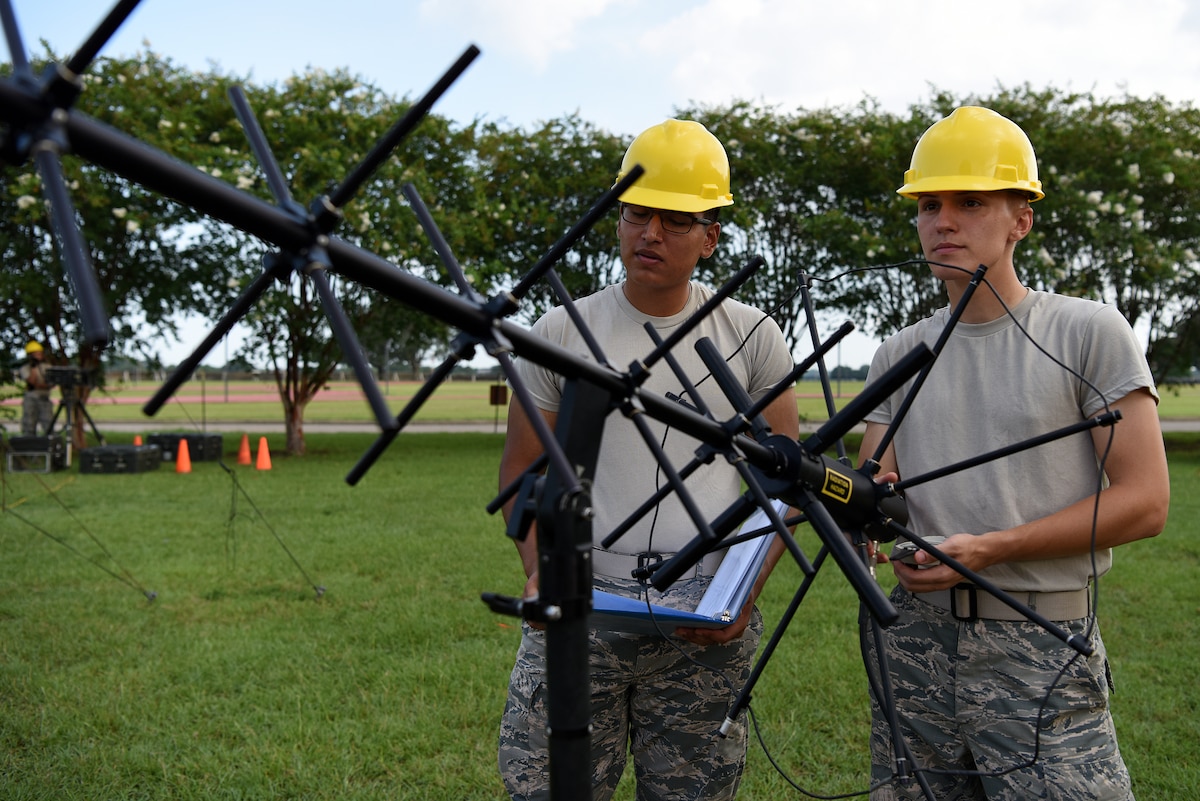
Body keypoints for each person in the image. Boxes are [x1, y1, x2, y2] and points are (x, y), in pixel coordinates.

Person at [858, 106, 1170, 800]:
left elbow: (1146, 502)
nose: (944, 221)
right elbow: (875, 487)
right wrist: (847, 502)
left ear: (1020, 220)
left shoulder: (1088, 332)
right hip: (914, 642)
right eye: (929, 205)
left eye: (971, 202)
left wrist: (993, 547)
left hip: (1039, 637)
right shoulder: (898, 353)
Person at [497, 119, 799, 801]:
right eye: (636, 214)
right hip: (582, 601)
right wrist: (541, 571)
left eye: (675, 219)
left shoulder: (752, 336)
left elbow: (784, 485)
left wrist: (742, 597)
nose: (650, 233)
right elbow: (521, 474)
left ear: (710, 236)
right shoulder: (562, 331)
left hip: (702, 620)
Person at [19, 340, 53, 436]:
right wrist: (33, 367)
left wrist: (41, 385)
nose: (39, 356)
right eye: (36, 354)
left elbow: (51, 383)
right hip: (31, 398)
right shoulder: (25, 368)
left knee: (48, 422)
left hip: (44, 397)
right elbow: (32, 381)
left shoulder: (47, 367)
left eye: (40, 353)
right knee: (29, 422)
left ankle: (49, 442)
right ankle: (29, 442)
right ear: (30, 356)